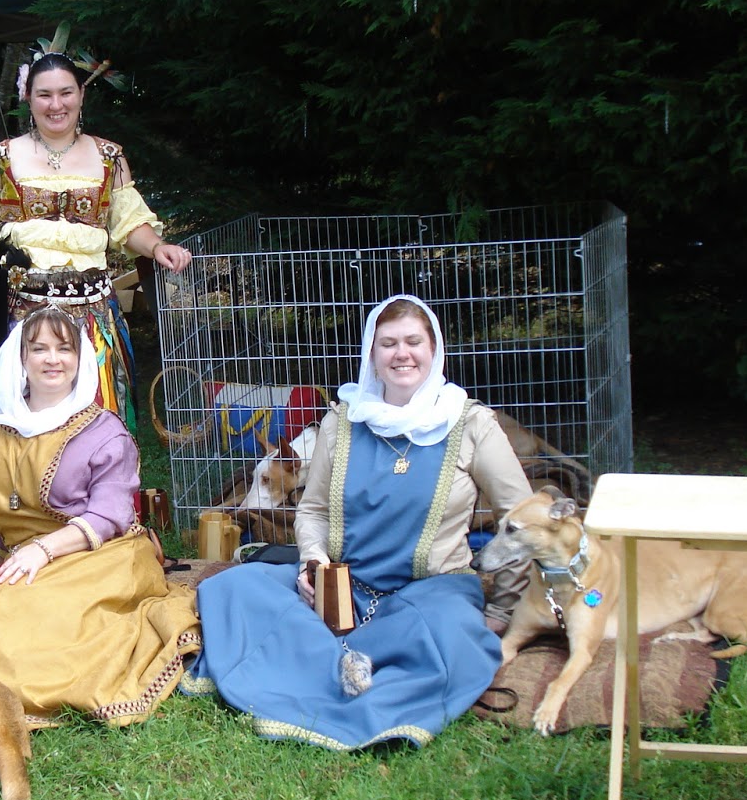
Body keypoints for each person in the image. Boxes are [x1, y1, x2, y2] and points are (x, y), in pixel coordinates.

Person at [183, 294, 532, 750]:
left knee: (450, 632)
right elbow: (312, 511)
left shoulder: (471, 425)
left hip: (432, 590)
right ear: (372, 352)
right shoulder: (344, 422)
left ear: (434, 348)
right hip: (344, 587)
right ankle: (354, 660)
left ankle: (320, 664)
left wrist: (503, 609)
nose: (401, 353)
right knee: (233, 588)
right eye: (388, 343)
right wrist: (311, 560)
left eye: (413, 341)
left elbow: (523, 520)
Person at [0, 50, 192, 569]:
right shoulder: (0, 158)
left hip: (90, 311)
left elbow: (125, 222)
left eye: (65, 92)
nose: (56, 104)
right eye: (44, 94)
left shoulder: (110, 157)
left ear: (81, 95)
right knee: (14, 410)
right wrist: (10, 269)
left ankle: (94, 521)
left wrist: (155, 247)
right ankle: (9, 522)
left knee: (97, 411)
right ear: (28, 98)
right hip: (17, 312)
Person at [0, 308, 201, 728]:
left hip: (100, 554)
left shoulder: (103, 431)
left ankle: (14, 695)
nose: (52, 359)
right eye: (39, 349)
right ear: (21, 357)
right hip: (28, 557)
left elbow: (109, 516)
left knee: (38, 625)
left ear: (81, 358)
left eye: (64, 349)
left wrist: (42, 549)